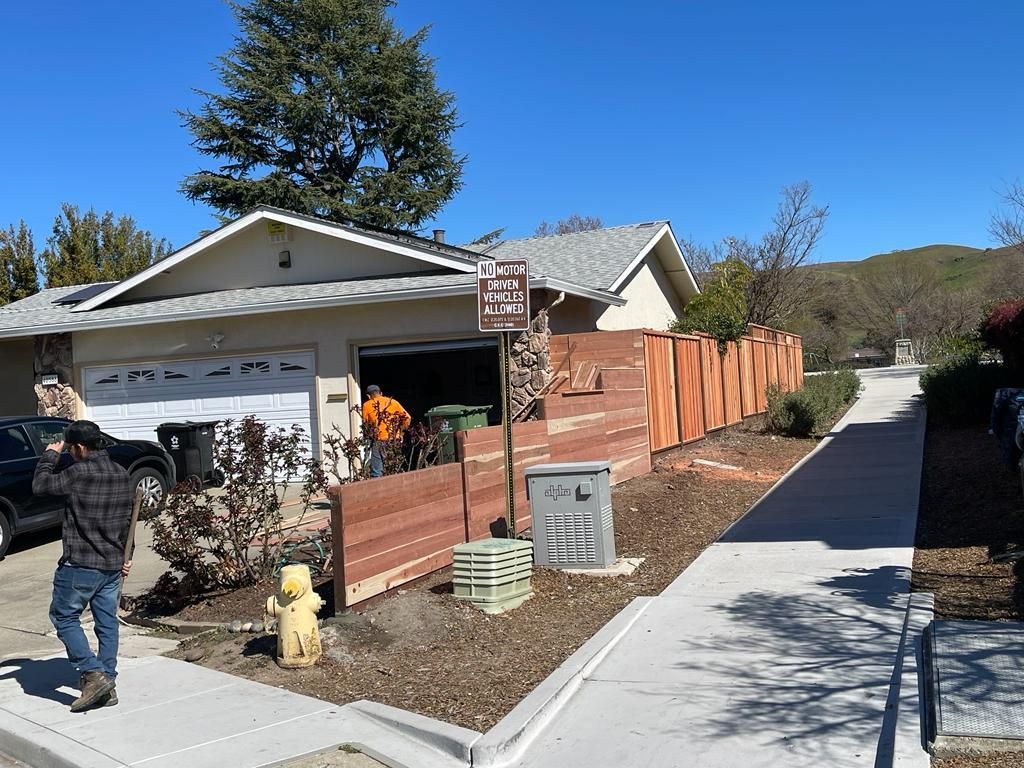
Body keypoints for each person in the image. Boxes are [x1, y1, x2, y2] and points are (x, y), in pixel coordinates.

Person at [33, 420, 133, 713]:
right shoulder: (121, 473)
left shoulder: (78, 472)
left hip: (80, 564)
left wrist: (51, 454)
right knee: (107, 623)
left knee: (64, 617)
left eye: (70, 449)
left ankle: (93, 674)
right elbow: (128, 521)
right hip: (112, 563)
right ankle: (108, 682)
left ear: (78, 447)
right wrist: (128, 556)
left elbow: (40, 486)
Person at [360, 385, 411, 477]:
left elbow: (366, 425)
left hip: (378, 440)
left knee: (377, 472)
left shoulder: (366, 405)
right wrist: (401, 432)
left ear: (368, 396)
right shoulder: (393, 402)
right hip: (394, 439)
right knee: (394, 468)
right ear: (381, 393)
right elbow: (407, 418)